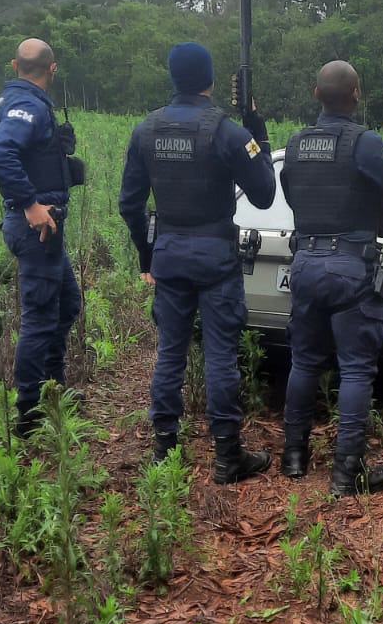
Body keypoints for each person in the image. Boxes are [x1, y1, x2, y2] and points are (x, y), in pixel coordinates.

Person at [118, 42, 276, 482]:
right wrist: (257, 131)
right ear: (209, 80)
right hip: (215, 257)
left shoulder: (145, 130)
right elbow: (265, 195)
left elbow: (129, 204)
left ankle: (165, 450)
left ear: (173, 77)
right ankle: (228, 458)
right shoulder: (226, 131)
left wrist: (146, 253)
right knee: (221, 354)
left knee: (170, 351)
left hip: (168, 255)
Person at [280, 60, 383, 496]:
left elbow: (290, 192)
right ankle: (346, 474)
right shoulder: (366, 143)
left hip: (303, 263)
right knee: (356, 369)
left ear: (315, 94)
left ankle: (294, 458)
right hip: (350, 268)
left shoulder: (296, 144)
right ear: (356, 96)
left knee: (303, 361)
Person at [0, 38, 85, 436]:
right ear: (53, 68)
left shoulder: (24, 100)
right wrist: (30, 204)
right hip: (35, 227)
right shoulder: (25, 105)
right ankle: (29, 415)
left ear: (15, 65)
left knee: (66, 305)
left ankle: (53, 390)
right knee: (41, 319)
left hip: (46, 229)